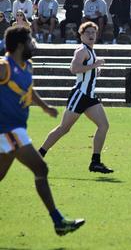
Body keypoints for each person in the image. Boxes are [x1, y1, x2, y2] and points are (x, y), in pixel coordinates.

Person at [0, 26, 85, 236]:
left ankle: (59, 223)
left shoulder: (27, 66)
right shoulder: (4, 66)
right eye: (29, 41)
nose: (32, 44)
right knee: (41, 168)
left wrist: (44, 106)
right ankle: (58, 222)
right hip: (8, 131)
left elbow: (28, 90)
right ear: (20, 45)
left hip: (17, 129)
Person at [38, 22, 114, 174]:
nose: (91, 35)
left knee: (104, 125)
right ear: (81, 35)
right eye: (88, 33)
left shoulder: (91, 51)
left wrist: (94, 71)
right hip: (80, 95)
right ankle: (39, 156)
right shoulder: (82, 50)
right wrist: (94, 66)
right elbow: (74, 68)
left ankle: (95, 162)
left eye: (93, 32)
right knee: (64, 128)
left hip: (90, 96)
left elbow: (78, 69)